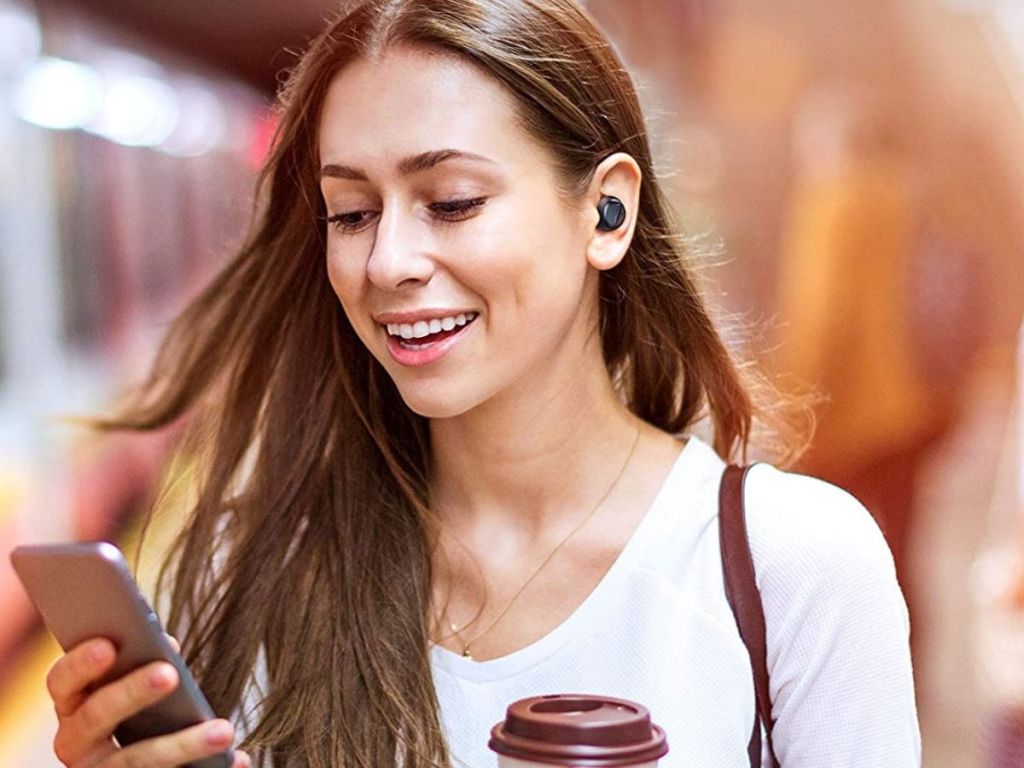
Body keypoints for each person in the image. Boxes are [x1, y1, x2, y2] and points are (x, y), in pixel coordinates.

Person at [41, 1, 920, 766]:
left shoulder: (789, 567)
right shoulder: (255, 572)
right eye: (351, 213)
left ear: (606, 211)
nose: (387, 261)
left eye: (453, 201)